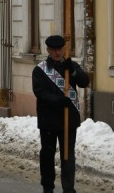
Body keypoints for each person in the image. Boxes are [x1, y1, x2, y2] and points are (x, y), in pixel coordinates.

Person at [32, 34, 90, 193]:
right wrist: (58, 101)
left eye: (60, 49)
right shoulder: (40, 70)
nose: (57, 53)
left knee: (68, 157)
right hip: (48, 119)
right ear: (48, 50)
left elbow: (85, 82)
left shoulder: (70, 66)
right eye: (54, 50)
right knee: (47, 155)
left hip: (68, 120)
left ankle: (69, 189)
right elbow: (40, 92)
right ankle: (48, 187)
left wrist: (73, 72)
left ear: (64, 49)